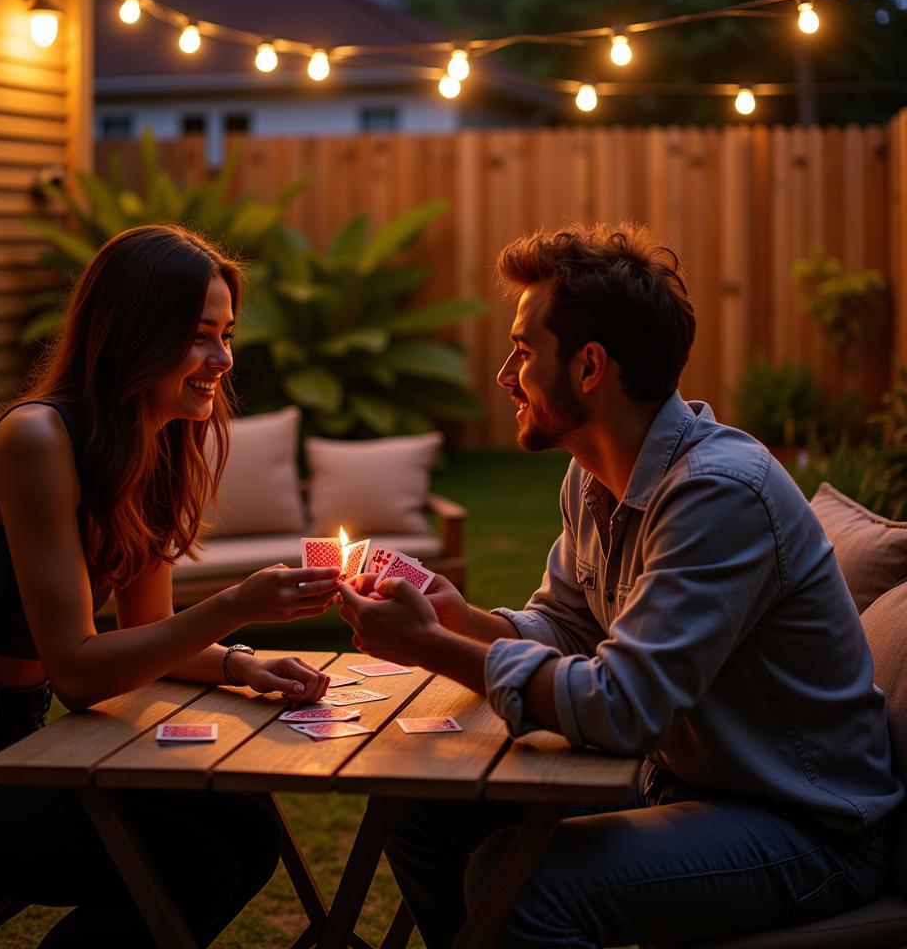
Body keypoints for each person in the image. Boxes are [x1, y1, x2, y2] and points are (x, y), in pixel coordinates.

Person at [338, 222, 903, 948]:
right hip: (681, 784)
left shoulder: (719, 495)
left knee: (515, 886)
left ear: (589, 367)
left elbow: (624, 707)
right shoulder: (596, 475)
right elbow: (568, 625)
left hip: (803, 824)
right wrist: (462, 620)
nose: (506, 377)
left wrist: (433, 648)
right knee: (421, 811)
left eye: (522, 352)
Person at [0, 223, 341, 947]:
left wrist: (240, 663)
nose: (222, 358)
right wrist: (236, 603)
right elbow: (80, 674)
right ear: (133, 334)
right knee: (185, 859)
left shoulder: (150, 446)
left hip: (15, 748)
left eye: (225, 334)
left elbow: (142, 637)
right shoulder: (38, 440)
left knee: (244, 827)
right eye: (199, 336)